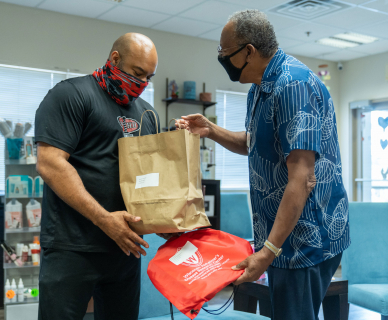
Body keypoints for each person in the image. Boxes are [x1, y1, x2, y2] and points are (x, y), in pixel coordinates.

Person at [177, 10, 350, 320]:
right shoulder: (260, 87)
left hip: (303, 242)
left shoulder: (293, 86)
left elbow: (302, 178)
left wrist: (268, 250)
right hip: (282, 238)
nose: (221, 58)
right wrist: (211, 130)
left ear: (249, 52)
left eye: (225, 53)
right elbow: (255, 144)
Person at [35, 33, 159, 320]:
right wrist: (105, 220)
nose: (142, 83)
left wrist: (164, 218)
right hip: (72, 247)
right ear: (115, 59)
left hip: (124, 248)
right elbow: (50, 164)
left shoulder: (147, 114)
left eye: (149, 77)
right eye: (137, 73)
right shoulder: (71, 94)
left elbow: (149, 177)